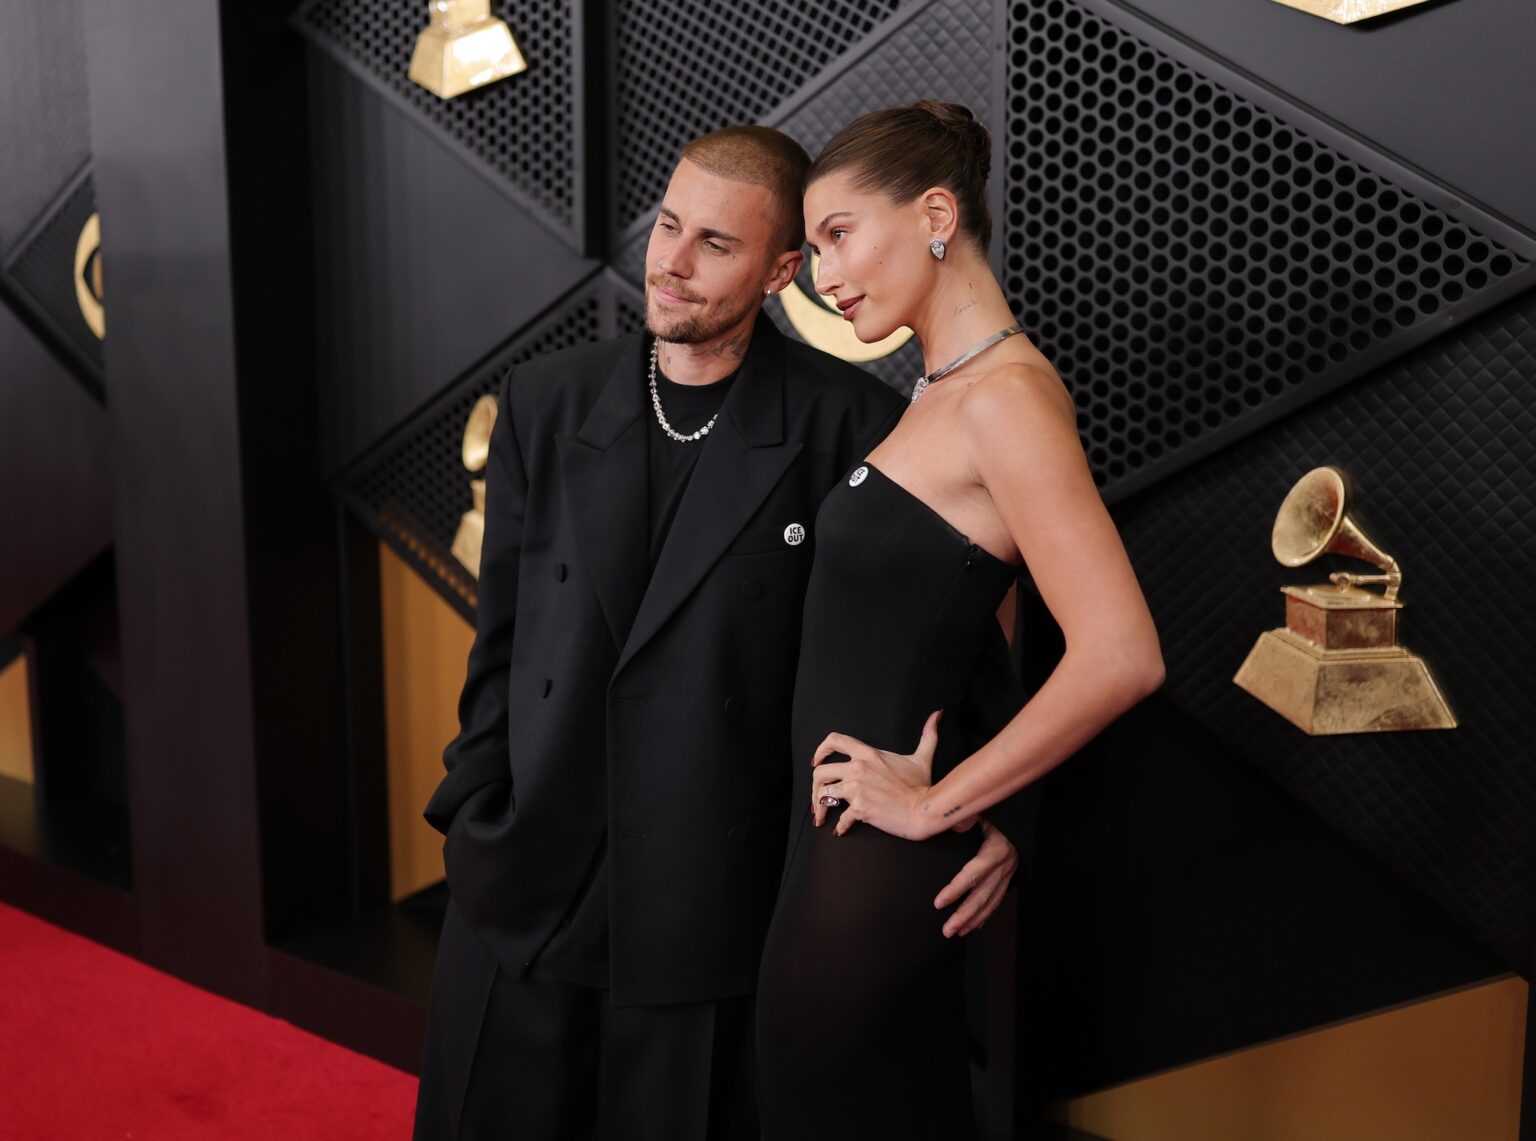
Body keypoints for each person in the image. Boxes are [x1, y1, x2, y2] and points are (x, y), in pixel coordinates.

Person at [411, 124, 1030, 1141]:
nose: (671, 263)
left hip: (710, 910)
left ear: (784, 269)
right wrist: (479, 813)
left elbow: (945, 637)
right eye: (667, 227)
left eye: (715, 245)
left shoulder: (851, 425)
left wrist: (999, 806)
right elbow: (503, 645)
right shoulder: (548, 403)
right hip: (526, 887)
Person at [755, 101, 1166, 1140]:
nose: (821, 274)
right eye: (810, 250)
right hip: (842, 848)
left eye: (839, 235)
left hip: (877, 862)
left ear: (936, 212)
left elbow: (1120, 654)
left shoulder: (1005, 401)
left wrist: (946, 807)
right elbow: (985, 631)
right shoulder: (945, 389)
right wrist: (1005, 810)